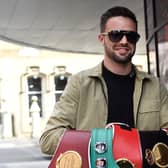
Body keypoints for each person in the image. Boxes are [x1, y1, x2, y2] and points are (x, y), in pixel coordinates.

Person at [39, 6, 168, 160]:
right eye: (116, 35)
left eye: (131, 36)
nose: (124, 41)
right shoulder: (79, 83)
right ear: (102, 38)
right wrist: (103, 142)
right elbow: (48, 139)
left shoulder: (154, 86)